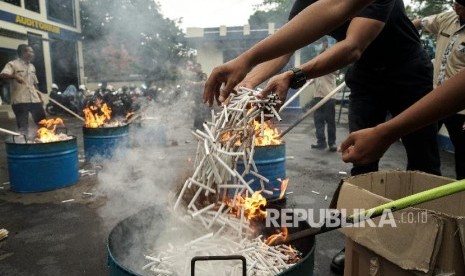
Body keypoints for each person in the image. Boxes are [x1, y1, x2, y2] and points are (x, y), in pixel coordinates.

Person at [204, 0, 442, 273]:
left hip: (406, 69)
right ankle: (359, 241)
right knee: (361, 165)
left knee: (424, 162)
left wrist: (294, 76)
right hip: (365, 77)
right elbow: (285, 48)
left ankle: (426, 249)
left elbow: (352, 47)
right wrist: (245, 83)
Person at [411, 1, 465, 180]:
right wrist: (402, 30)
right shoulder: (447, 18)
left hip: (461, 108)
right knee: (420, 145)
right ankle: (417, 188)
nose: (456, 7)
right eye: (456, 3)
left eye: (461, 5)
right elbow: (421, 22)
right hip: (436, 100)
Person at [0, 44, 46, 136]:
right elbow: (2, 75)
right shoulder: (12, 64)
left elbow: (34, 83)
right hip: (20, 100)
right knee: (23, 126)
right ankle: (25, 143)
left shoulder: (32, 67)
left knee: (42, 122)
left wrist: (40, 96)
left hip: (34, 99)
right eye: (31, 51)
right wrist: (15, 76)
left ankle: (45, 139)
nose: (33, 54)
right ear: (23, 52)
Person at [310, 40, 338, 151]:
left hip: (329, 96)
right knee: (318, 121)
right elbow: (312, 80)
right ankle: (321, 142)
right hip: (318, 96)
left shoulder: (333, 64)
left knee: (330, 121)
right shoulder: (317, 69)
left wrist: (327, 53)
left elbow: (336, 71)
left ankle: (332, 143)